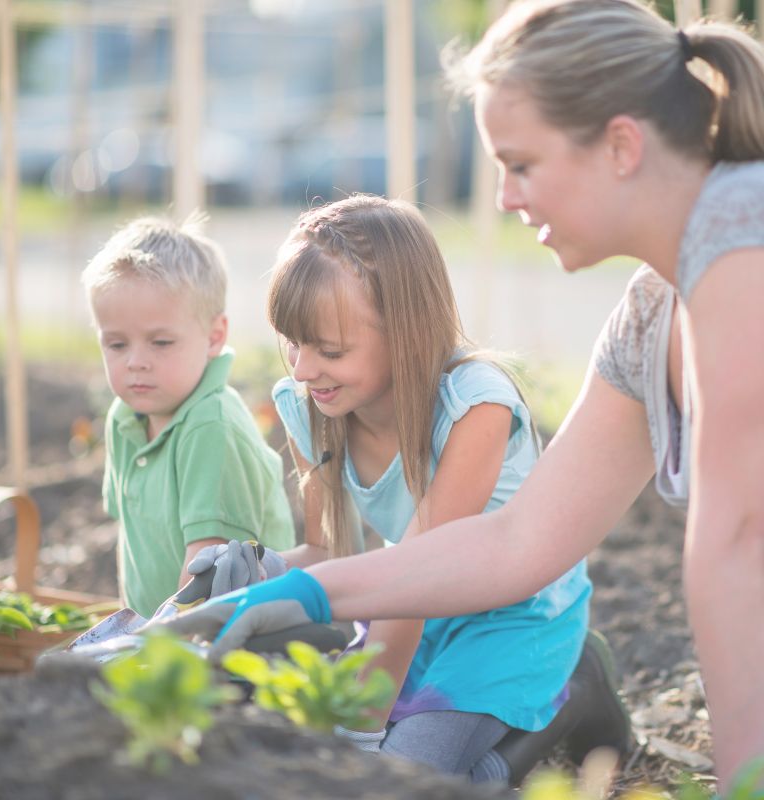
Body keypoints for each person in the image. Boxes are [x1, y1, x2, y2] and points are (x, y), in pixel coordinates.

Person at [153, 0, 764, 787]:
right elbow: (518, 542)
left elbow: (739, 546)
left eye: (521, 163)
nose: (505, 196)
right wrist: (308, 587)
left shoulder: (741, 241)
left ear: (620, 144)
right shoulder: (650, 318)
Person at [161, 195, 631, 784]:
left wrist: (360, 729)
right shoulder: (313, 405)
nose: (303, 368)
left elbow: (423, 574)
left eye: (330, 350)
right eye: (292, 341)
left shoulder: (473, 407)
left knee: (405, 774)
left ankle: (577, 685)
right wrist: (261, 569)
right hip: (407, 606)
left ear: (406, 333)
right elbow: (332, 554)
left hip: (513, 619)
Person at [82, 213, 295, 618]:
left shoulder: (209, 424)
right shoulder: (124, 418)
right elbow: (131, 539)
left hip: (239, 636)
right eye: (116, 344)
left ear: (214, 337)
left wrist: (160, 651)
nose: (136, 362)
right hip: (162, 634)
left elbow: (207, 574)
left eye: (160, 342)